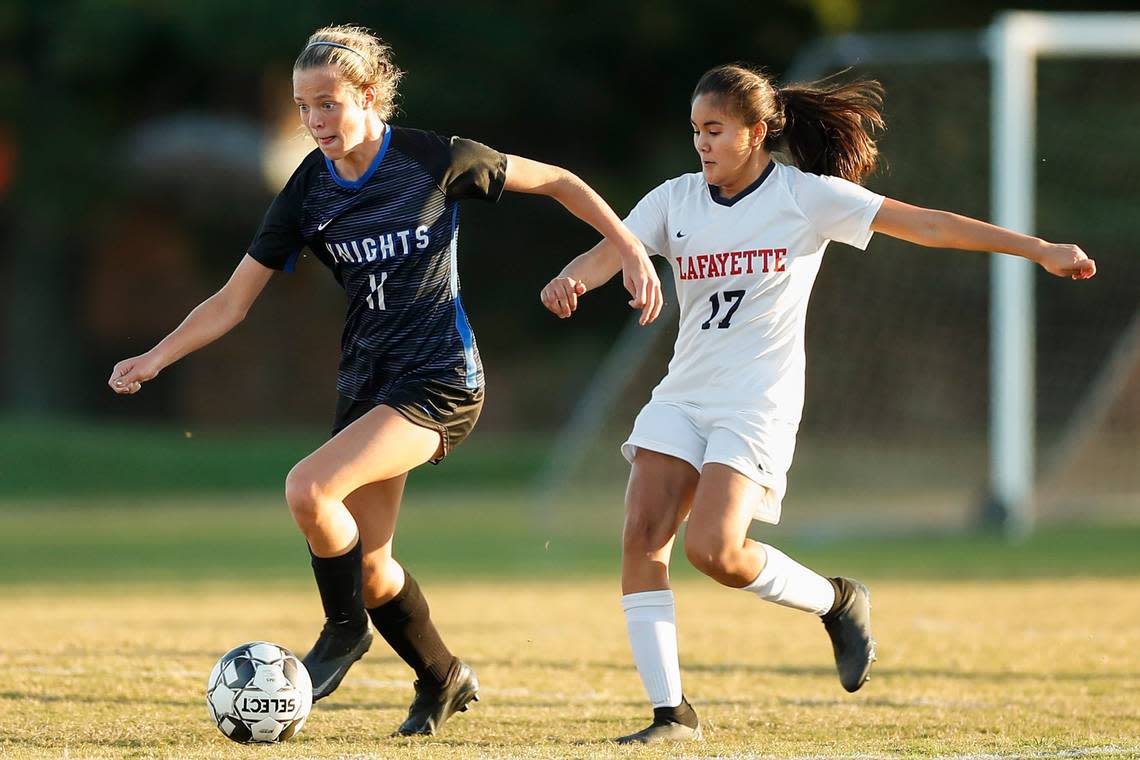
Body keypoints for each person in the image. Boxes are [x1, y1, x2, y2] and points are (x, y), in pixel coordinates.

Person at [108, 24, 662, 738]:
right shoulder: (307, 189)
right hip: (367, 379)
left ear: (369, 96)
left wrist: (626, 248)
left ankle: (343, 634)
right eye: (304, 108)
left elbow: (558, 181)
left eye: (329, 104)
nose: (315, 122)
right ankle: (443, 678)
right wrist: (155, 357)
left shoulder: (434, 159)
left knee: (309, 489)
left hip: (440, 380)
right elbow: (230, 301)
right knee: (372, 570)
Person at [540, 63, 1096, 744]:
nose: (702, 145)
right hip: (683, 395)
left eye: (714, 130)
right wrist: (571, 280)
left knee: (715, 552)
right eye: (695, 132)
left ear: (757, 131)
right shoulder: (676, 198)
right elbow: (614, 250)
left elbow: (925, 224)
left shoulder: (806, 197)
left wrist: (1038, 249)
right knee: (641, 535)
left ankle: (837, 600)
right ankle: (671, 715)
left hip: (755, 403)